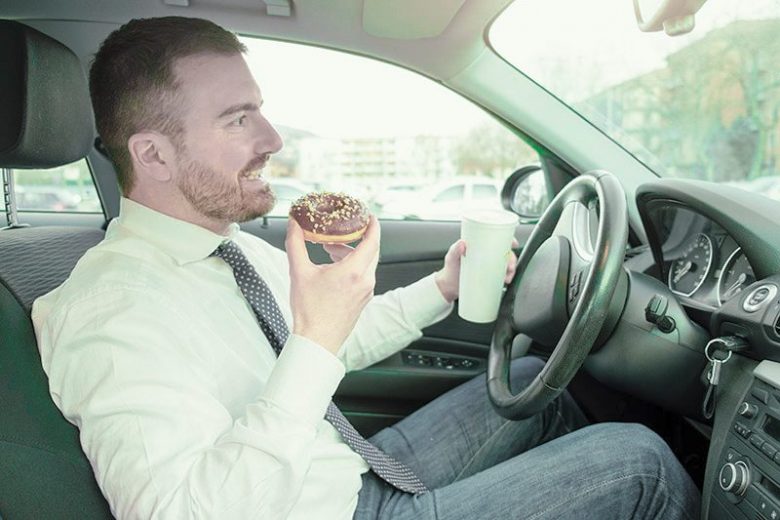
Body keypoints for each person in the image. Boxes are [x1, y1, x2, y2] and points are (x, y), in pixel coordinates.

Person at [32, 16, 700, 520]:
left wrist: (442, 289)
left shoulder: (225, 248)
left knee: (533, 387)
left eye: (260, 110)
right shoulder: (110, 312)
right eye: (239, 119)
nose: (273, 139)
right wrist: (314, 341)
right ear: (153, 156)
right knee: (638, 461)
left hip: (343, 471)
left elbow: (333, 344)